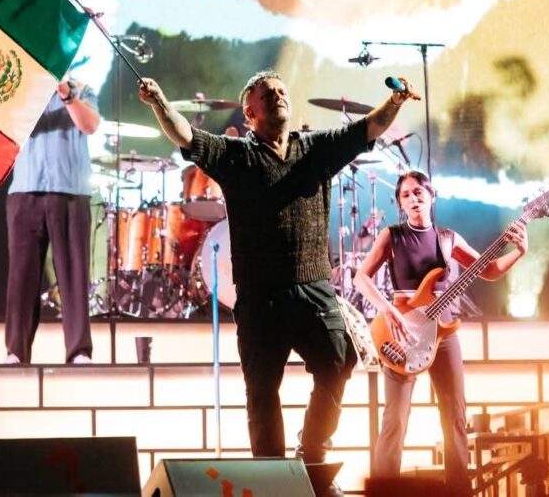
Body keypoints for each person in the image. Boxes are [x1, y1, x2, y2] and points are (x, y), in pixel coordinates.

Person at [137, 70, 418, 475]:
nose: (278, 97)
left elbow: (367, 129)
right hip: (260, 295)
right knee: (262, 390)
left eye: (282, 91)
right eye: (267, 95)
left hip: (313, 288)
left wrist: (394, 101)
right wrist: (160, 102)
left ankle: (313, 451)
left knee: (338, 363)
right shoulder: (235, 155)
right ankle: (271, 477)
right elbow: (186, 136)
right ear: (249, 113)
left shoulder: (316, 148)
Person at [353, 170, 528, 494]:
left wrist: (519, 251)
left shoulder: (448, 238)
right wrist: (386, 308)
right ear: (399, 203)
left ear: (432, 195)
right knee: (395, 420)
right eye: (405, 195)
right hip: (402, 332)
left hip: (444, 334)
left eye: (418, 192)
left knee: (455, 416)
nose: (413, 199)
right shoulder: (392, 235)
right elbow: (361, 278)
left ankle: (459, 491)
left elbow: (488, 270)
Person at [5, 77, 101, 364]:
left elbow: (90, 125)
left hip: (70, 190)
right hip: (26, 190)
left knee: (74, 276)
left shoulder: (82, 89)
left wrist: (66, 94)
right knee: (22, 278)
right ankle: (16, 351)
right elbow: (9, 129)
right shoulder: (18, 89)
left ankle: (79, 351)